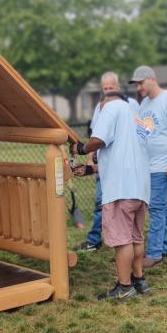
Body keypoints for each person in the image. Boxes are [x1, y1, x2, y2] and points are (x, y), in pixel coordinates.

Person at [70, 90, 150, 301]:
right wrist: (90, 170)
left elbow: (98, 140)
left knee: (122, 241)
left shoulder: (111, 107)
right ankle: (139, 280)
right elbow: (122, 156)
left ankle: (124, 287)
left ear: (106, 102)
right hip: (139, 189)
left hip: (120, 191)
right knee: (135, 237)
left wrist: (81, 148)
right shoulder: (135, 118)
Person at [74, 72, 139, 252]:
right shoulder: (101, 106)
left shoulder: (131, 105)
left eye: (111, 88)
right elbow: (96, 135)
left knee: (126, 206)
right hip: (106, 165)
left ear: (118, 87)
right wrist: (89, 162)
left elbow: (140, 132)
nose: (108, 91)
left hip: (127, 166)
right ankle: (95, 239)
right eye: (105, 88)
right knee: (101, 202)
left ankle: (126, 240)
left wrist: (81, 149)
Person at [129, 65, 167, 268]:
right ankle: (165, 246)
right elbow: (146, 130)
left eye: (141, 83)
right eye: (136, 84)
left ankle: (154, 254)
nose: (138, 87)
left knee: (155, 207)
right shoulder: (144, 102)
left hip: (163, 166)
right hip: (149, 166)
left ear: (152, 79)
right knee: (161, 206)